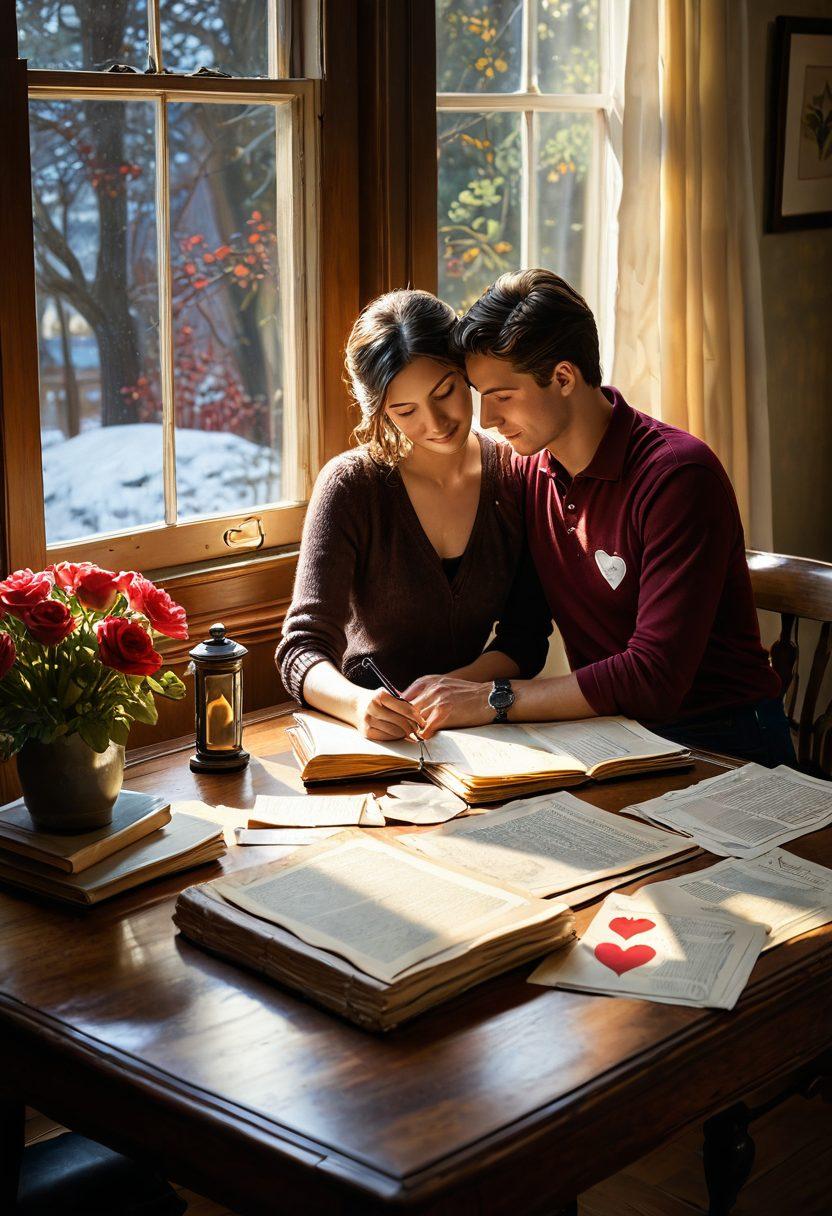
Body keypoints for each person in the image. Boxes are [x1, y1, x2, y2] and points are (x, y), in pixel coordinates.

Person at [403, 269, 794, 767]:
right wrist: (444, 692)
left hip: (724, 740)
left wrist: (492, 699)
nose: (487, 421)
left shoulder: (678, 476)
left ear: (563, 377)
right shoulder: (529, 471)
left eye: (501, 396)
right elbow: (525, 632)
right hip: (615, 736)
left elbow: (653, 679)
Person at [276, 288, 552, 741]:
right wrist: (357, 704)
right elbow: (301, 648)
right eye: (405, 411)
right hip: (368, 733)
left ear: (468, 373)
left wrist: (456, 689)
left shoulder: (515, 477)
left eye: (445, 392)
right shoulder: (351, 486)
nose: (437, 423)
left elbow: (526, 638)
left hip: (477, 727)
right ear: (381, 413)